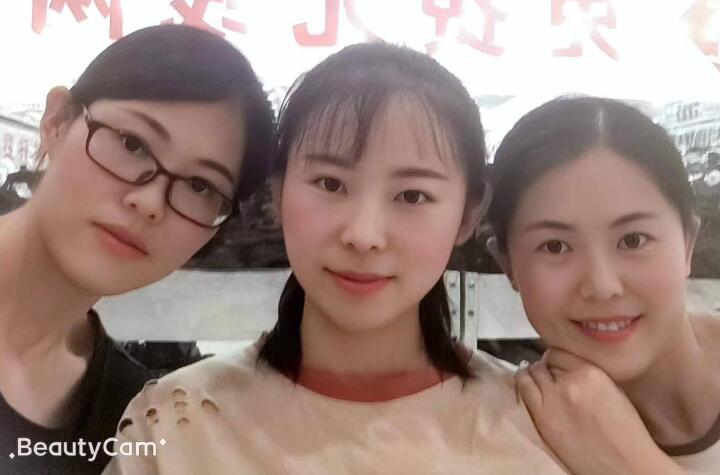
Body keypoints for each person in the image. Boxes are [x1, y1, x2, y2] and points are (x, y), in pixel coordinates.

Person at [103, 43, 568, 475]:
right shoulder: (172, 428)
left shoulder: (545, 425)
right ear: (278, 192)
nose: (363, 235)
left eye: (412, 195)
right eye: (330, 183)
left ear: (468, 214)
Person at [0, 24, 274, 475]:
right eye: (133, 144)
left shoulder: (137, 426)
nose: (149, 203)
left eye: (199, 185)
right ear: (57, 122)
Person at [487, 96, 719, 474]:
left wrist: (632, 464)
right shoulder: (506, 438)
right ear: (507, 265)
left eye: (633, 240)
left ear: (688, 242)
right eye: (555, 246)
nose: (602, 286)